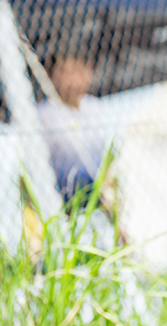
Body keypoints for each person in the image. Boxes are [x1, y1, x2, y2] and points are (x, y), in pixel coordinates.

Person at [37, 54, 122, 239]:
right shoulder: (44, 117)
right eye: (64, 72)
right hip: (63, 205)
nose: (71, 79)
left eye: (76, 71)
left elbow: (111, 156)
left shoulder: (95, 108)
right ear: (52, 77)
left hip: (101, 201)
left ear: (88, 72)